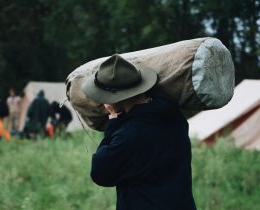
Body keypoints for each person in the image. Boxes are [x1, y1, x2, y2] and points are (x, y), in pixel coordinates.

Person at [81, 54, 196, 210]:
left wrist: (113, 123)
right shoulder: (174, 116)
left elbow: (100, 173)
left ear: (116, 98)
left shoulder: (129, 136)